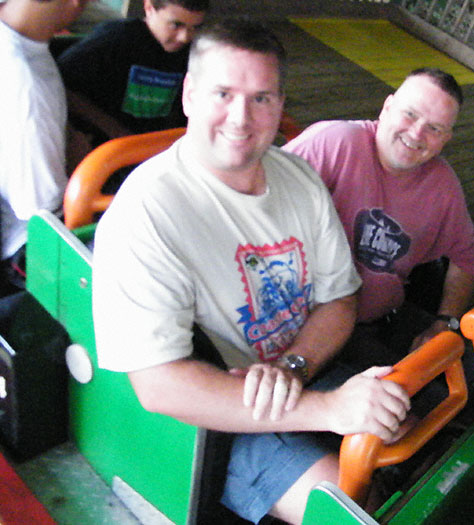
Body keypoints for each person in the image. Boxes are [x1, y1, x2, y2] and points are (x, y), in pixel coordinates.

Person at [92, 20, 411, 525]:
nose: (240, 118)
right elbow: (160, 386)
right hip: (219, 420)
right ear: (190, 96)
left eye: (261, 98)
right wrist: (328, 411)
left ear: (281, 105)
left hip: (308, 368)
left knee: (415, 441)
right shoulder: (145, 214)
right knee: (352, 510)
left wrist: (292, 369)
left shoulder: (299, 178)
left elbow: (339, 299)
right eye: (223, 93)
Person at [284, 68, 474, 368]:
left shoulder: (443, 186)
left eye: (435, 128)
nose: (416, 134)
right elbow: (258, 196)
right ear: (387, 107)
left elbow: (467, 256)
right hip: (296, 325)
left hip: (381, 322)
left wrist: (446, 323)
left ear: (446, 139)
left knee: (472, 380)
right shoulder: (334, 142)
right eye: (410, 115)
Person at [0, 0, 89, 294]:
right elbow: (42, 211)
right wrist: (79, 160)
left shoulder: (24, 44)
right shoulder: (25, 84)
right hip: (22, 247)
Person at [56, 0, 208, 143]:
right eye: (175, 25)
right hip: (107, 150)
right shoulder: (115, 39)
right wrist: (114, 130)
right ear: (149, 8)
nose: (185, 37)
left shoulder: (193, 51)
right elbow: (62, 86)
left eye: (195, 27)